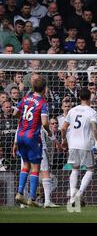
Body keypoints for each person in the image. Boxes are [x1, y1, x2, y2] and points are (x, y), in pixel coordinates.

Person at [61, 88, 97, 208]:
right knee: (90, 169)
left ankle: (73, 196)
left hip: (72, 144)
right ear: (90, 98)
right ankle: (79, 194)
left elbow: (63, 128)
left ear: (79, 97)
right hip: (85, 144)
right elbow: (94, 128)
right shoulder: (92, 112)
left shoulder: (72, 110)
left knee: (75, 169)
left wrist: (64, 140)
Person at [12, 76, 50, 207]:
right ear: (44, 89)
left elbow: (15, 113)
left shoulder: (25, 99)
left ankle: (19, 193)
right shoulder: (42, 102)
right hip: (32, 137)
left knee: (25, 165)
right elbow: (44, 123)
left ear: (33, 87)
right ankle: (32, 198)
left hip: (21, 134)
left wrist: (24, 120)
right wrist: (49, 132)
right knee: (35, 168)